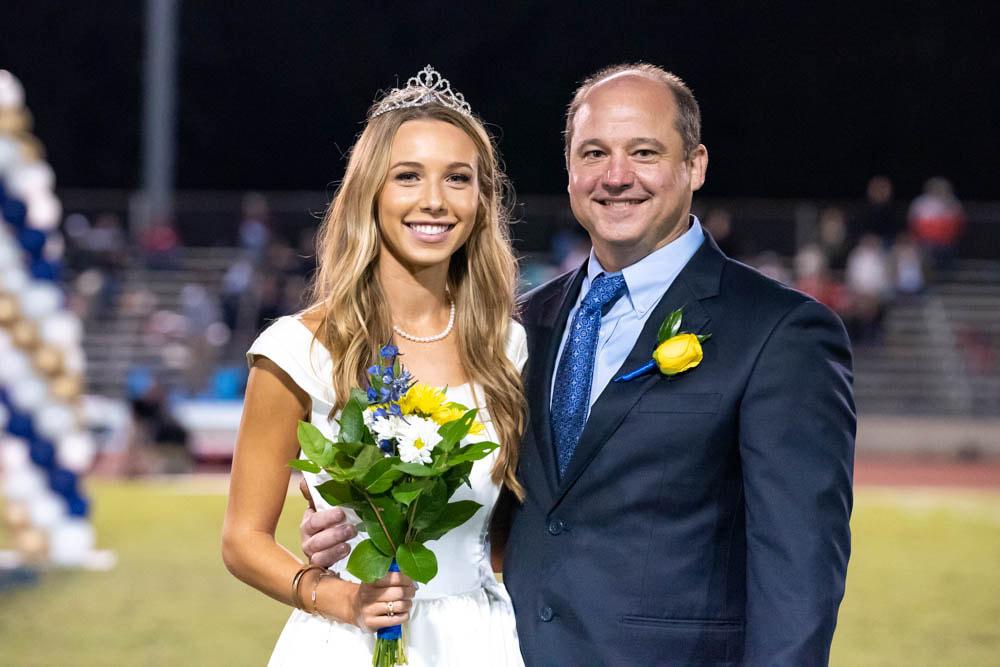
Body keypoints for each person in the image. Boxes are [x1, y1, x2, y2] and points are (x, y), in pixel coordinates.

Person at [302, 63, 856, 665]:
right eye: (594, 153)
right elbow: (501, 515)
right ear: (569, 169)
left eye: (644, 152)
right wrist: (365, 525)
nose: (616, 177)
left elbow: (799, 569)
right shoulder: (517, 328)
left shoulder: (780, 332)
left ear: (694, 165)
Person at [221, 66, 528, 666]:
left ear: (481, 200)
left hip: (479, 640)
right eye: (407, 176)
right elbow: (242, 538)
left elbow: (506, 534)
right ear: (370, 193)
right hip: (347, 643)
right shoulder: (299, 349)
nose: (434, 200)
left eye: (458, 178)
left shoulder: (507, 348)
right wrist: (340, 598)